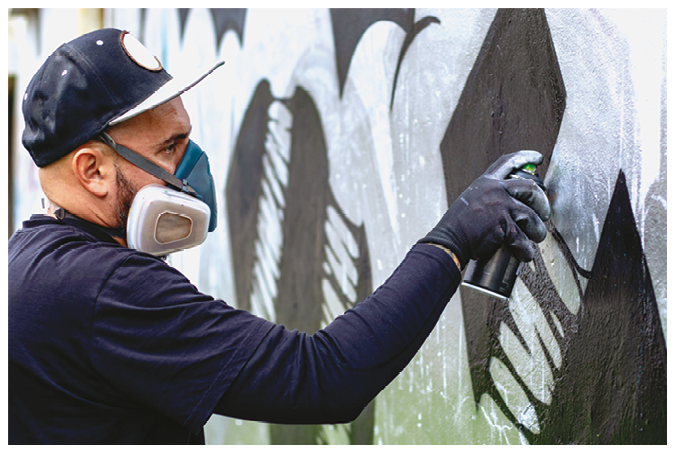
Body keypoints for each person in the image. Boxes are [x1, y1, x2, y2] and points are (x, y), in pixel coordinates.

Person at [8, 28, 550, 444]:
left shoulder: (31, 259)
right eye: (170, 149)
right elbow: (324, 378)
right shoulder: (106, 289)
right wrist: (452, 239)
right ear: (93, 171)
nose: (190, 169)